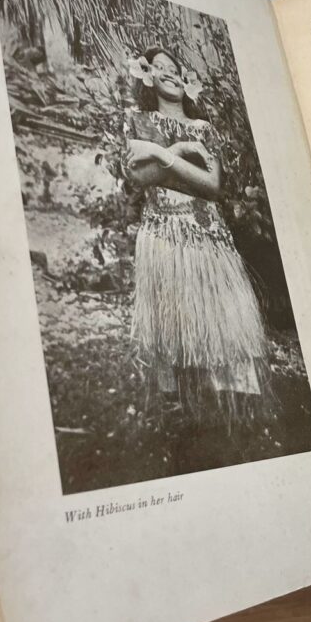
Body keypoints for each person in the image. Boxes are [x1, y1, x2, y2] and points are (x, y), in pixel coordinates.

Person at [121, 46, 266, 412]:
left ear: (186, 80)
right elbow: (140, 178)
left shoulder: (204, 129)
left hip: (206, 233)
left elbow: (212, 186)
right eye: (159, 68)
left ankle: (231, 403)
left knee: (218, 313)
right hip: (162, 233)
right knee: (170, 314)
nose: (169, 73)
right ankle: (179, 402)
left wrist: (165, 153)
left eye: (175, 68)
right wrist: (181, 158)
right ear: (147, 77)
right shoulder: (137, 122)